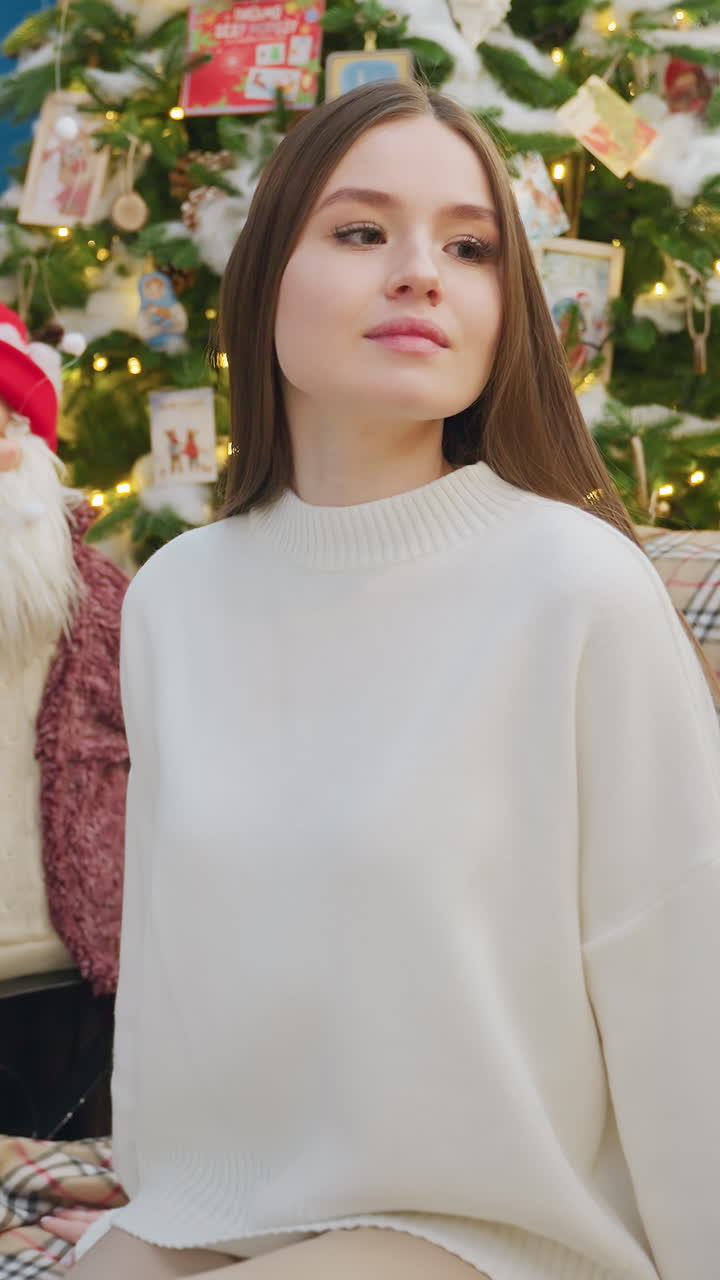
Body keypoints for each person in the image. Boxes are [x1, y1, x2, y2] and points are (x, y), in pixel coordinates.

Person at [53, 81, 720, 1280]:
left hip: (503, 1229)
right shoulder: (178, 596)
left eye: (469, 247)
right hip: (231, 1200)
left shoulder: (576, 588)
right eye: (362, 231)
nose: (422, 272)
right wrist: (152, 1206)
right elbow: (167, 968)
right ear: (262, 283)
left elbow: (681, 977)